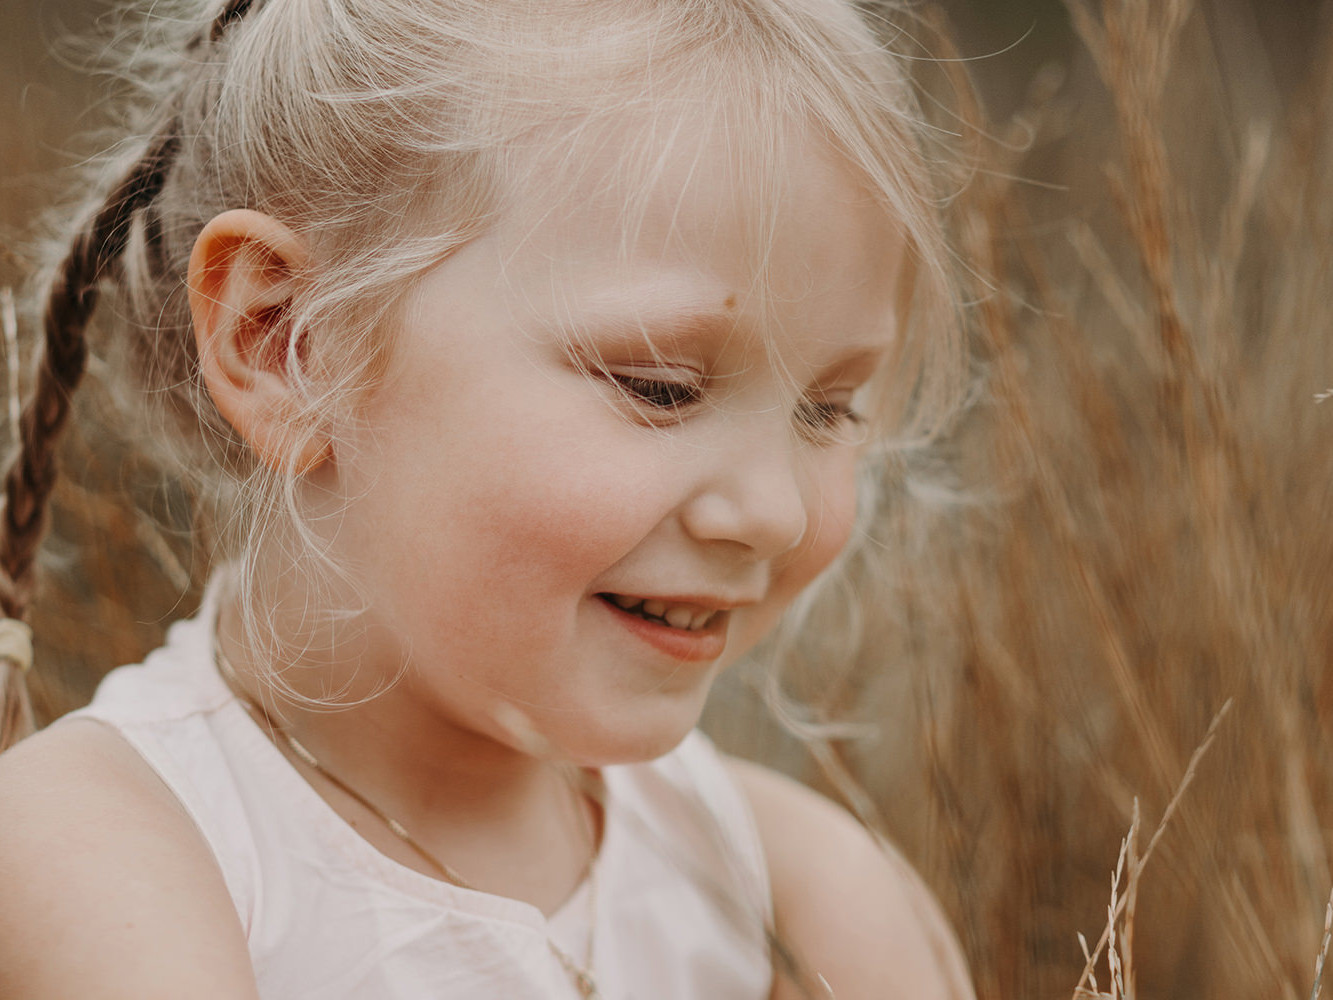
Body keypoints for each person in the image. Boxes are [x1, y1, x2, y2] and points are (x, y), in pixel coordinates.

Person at [0, 0, 975, 997]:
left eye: (828, 409)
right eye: (658, 387)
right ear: (289, 342)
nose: (775, 512)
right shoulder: (107, 857)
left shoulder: (803, 906)